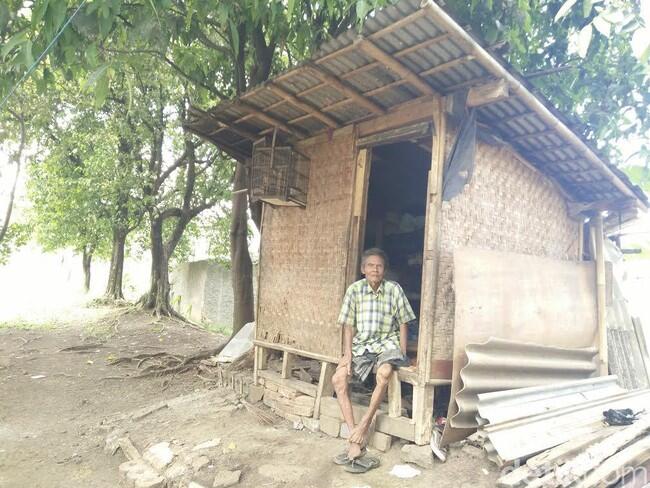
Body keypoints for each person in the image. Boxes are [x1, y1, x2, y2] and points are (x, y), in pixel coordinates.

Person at [331, 247, 416, 470]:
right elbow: (348, 326)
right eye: (370, 265)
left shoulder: (394, 289)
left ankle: (364, 425)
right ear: (362, 269)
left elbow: (404, 322)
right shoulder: (354, 291)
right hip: (362, 345)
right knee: (338, 380)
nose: (375, 269)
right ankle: (354, 436)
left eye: (379, 266)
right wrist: (347, 354)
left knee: (384, 373)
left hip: (388, 343)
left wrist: (402, 353)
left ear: (384, 270)